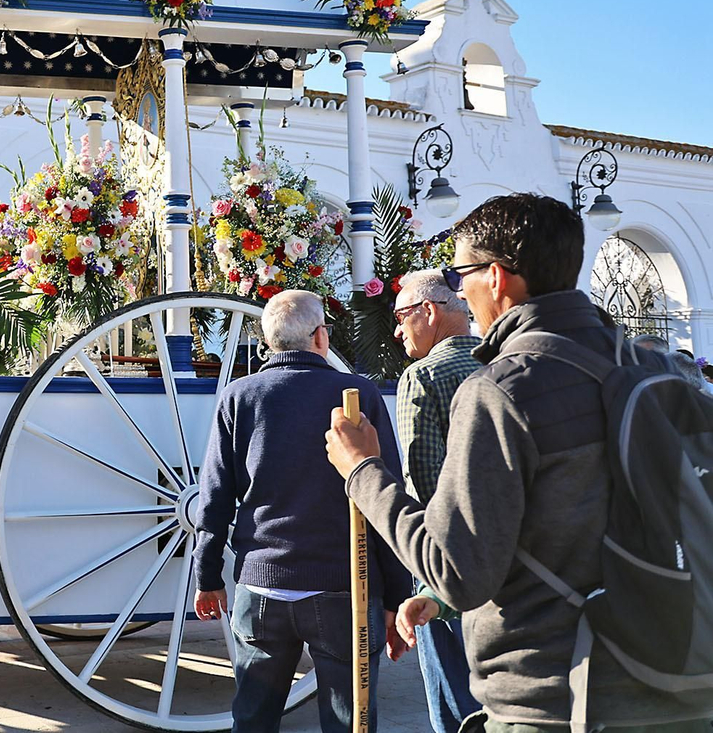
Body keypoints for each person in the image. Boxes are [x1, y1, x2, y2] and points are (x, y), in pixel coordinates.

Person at [327, 193, 708, 730]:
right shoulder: (649, 368)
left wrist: (362, 471)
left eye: (461, 277)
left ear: (498, 278)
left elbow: (458, 570)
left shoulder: (504, 391)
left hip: (559, 697)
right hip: (675, 675)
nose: (462, 291)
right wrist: (438, 597)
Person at [193, 288, 411, 732]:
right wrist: (396, 595)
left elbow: (215, 496)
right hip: (343, 586)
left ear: (270, 342)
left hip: (262, 586)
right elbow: (383, 496)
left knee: (252, 719)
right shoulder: (356, 395)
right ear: (320, 337)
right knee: (348, 721)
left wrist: (208, 575)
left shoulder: (241, 396)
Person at [390, 269, 481, 731]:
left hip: (446, 570)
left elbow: (422, 486)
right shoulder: (501, 362)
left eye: (403, 315)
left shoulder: (423, 376)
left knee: (455, 706)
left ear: (430, 311)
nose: (397, 328)